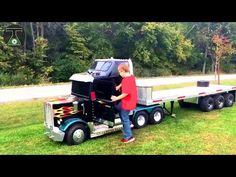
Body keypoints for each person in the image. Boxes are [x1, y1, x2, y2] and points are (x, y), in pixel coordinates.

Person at [111, 63, 137, 143]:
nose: (119, 73)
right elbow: (123, 82)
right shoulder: (131, 76)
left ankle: (129, 137)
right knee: (118, 108)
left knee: (124, 117)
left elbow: (125, 93)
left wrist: (116, 98)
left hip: (127, 103)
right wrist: (119, 86)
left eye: (119, 72)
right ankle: (129, 124)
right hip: (129, 101)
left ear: (123, 71)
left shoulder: (126, 80)